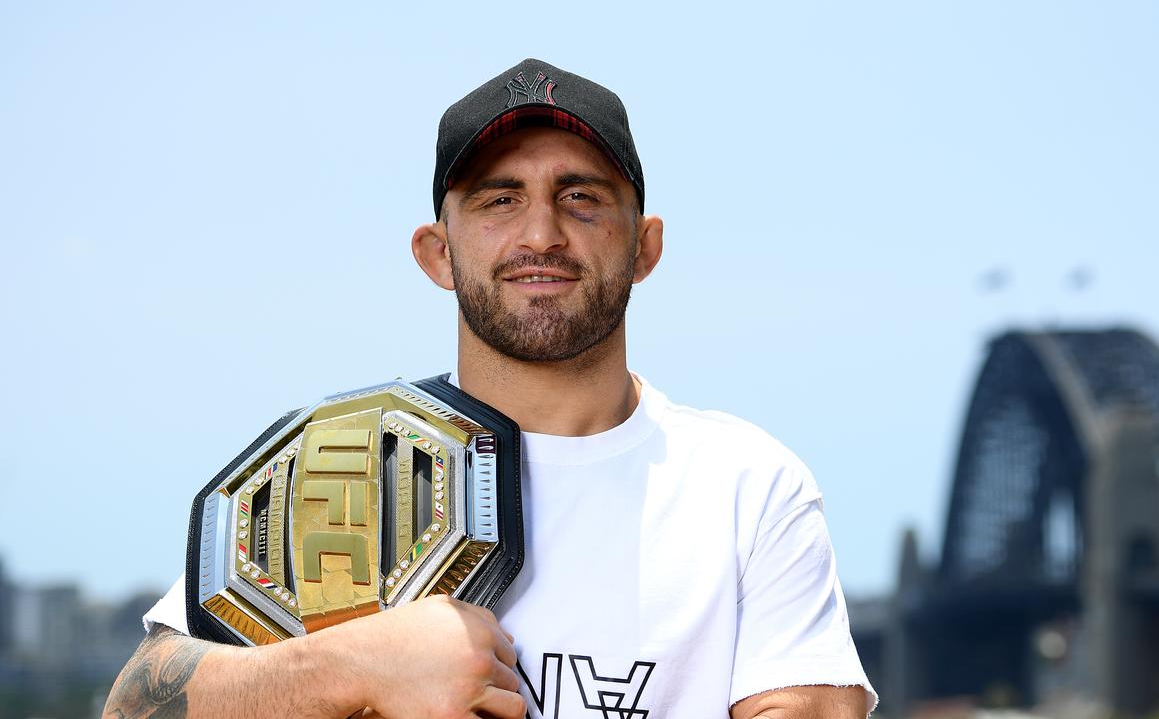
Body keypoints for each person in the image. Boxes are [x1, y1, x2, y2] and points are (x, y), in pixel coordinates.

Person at [104, 58, 876, 719]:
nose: (541, 232)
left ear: (646, 247)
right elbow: (137, 702)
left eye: (581, 195)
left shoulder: (747, 486)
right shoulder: (345, 463)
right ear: (437, 253)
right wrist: (354, 664)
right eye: (499, 200)